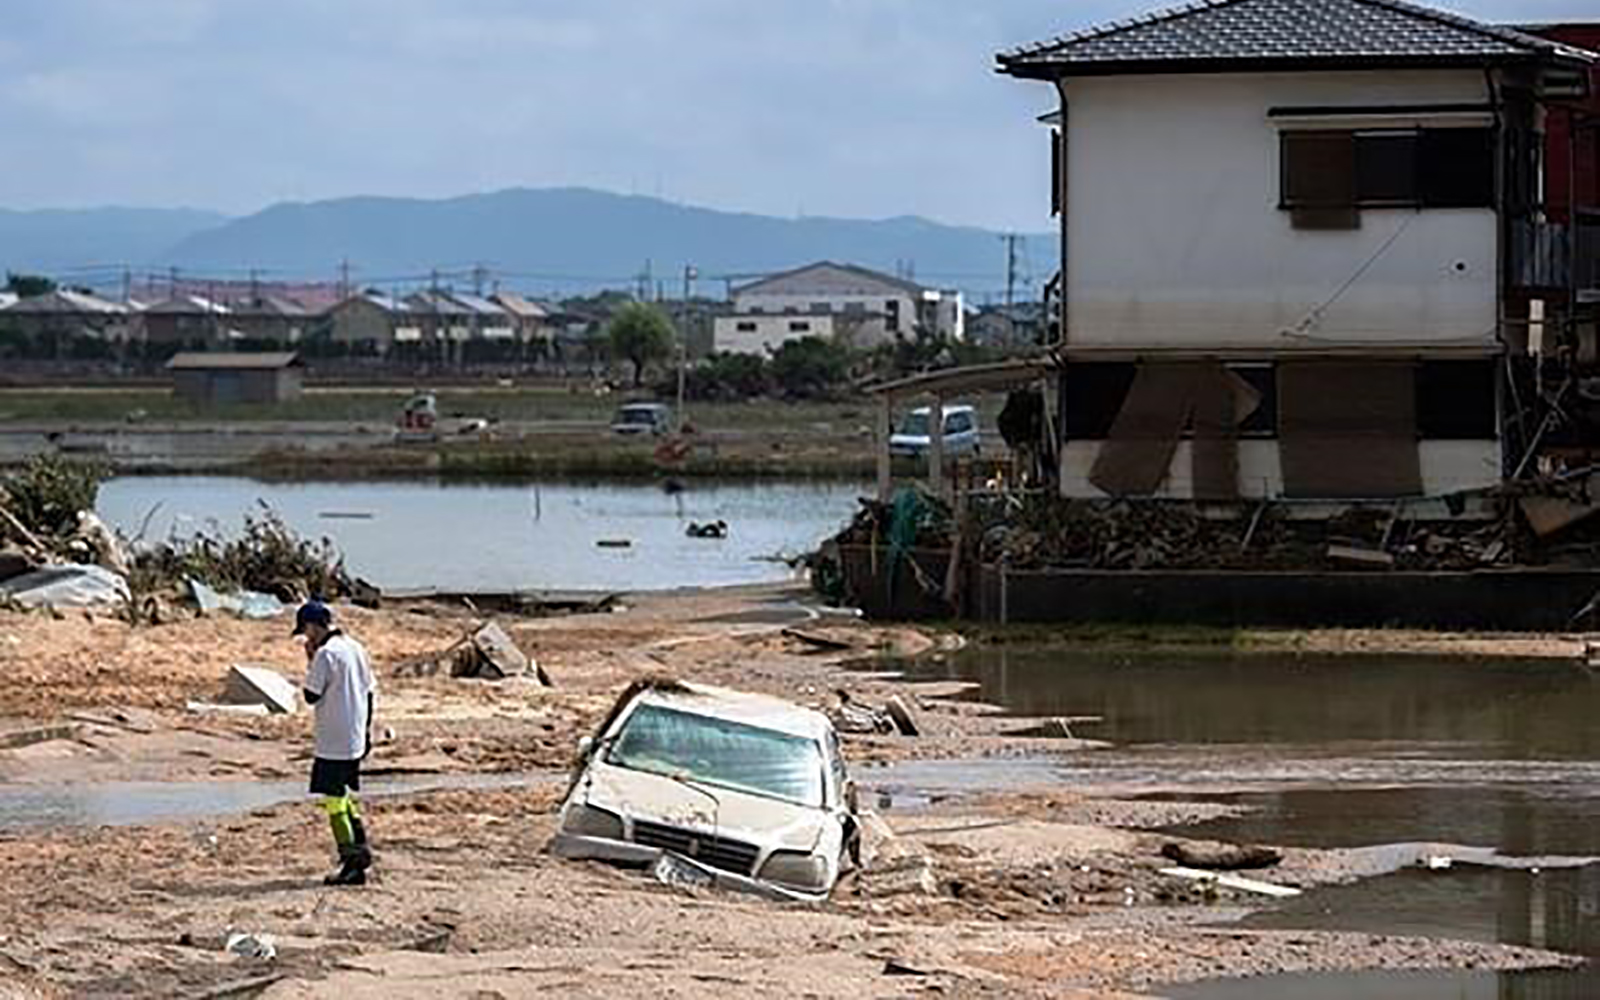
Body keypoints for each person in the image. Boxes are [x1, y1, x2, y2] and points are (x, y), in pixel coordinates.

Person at [295, 600, 377, 886]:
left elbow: (311, 695)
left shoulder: (325, 654)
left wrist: (310, 660)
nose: (306, 637)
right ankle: (361, 850)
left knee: (334, 803)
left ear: (313, 626)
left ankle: (352, 862)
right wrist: (366, 732)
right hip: (353, 737)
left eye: (305, 631)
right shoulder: (356, 648)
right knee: (344, 797)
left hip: (332, 741)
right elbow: (369, 694)